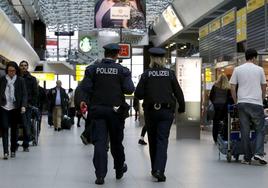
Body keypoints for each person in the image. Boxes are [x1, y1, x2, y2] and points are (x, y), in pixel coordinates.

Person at [80, 43, 135, 185]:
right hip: (116, 112)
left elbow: (85, 87)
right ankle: (119, 169)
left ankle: (100, 175)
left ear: (105, 54)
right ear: (117, 55)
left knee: (100, 143)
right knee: (116, 142)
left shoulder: (92, 69)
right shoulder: (122, 70)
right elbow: (129, 89)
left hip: (97, 110)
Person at [134, 47, 185, 182]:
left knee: (152, 140)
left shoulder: (146, 74)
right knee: (162, 140)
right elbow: (178, 92)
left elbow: (138, 94)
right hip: (166, 112)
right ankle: (159, 170)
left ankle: (154, 169)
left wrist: (149, 92)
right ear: (163, 59)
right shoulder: (170, 74)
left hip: (151, 112)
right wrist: (182, 107)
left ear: (151, 59)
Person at [230, 49, 267, 165]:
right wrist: (261, 99)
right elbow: (264, 86)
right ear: (254, 58)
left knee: (244, 131)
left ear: (245, 57)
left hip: (242, 103)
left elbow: (232, 86)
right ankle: (258, 153)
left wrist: (236, 101)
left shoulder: (238, 69)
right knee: (260, 129)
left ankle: (246, 158)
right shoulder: (260, 70)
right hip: (256, 103)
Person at [0, 61, 27, 159]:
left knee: (14, 130)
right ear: (7, 70)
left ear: (16, 71)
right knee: (4, 128)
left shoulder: (20, 80)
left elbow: (24, 94)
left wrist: (23, 105)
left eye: (13, 71)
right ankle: (6, 152)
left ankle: (12, 150)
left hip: (15, 108)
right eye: (9, 71)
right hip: (4, 107)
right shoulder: (2, 79)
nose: (11, 72)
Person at [19, 60, 38, 152]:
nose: (23, 67)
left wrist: (31, 104)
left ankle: (26, 144)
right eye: (22, 65)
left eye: (25, 65)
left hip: (28, 105)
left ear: (27, 67)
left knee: (26, 124)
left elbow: (35, 93)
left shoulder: (32, 79)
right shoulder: (16, 78)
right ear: (19, 67)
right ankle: (14, 143)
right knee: (16, 124)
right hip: (16, 105)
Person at [209, 74, 232, 142]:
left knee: (215, 123)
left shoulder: (214, 86)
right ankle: (223, 136)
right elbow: (229, 98)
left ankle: (215, 138)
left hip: (216, 107)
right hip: (224, 107)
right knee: (225, 122)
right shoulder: (228, 88)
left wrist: (214, 102)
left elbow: (211, 96)